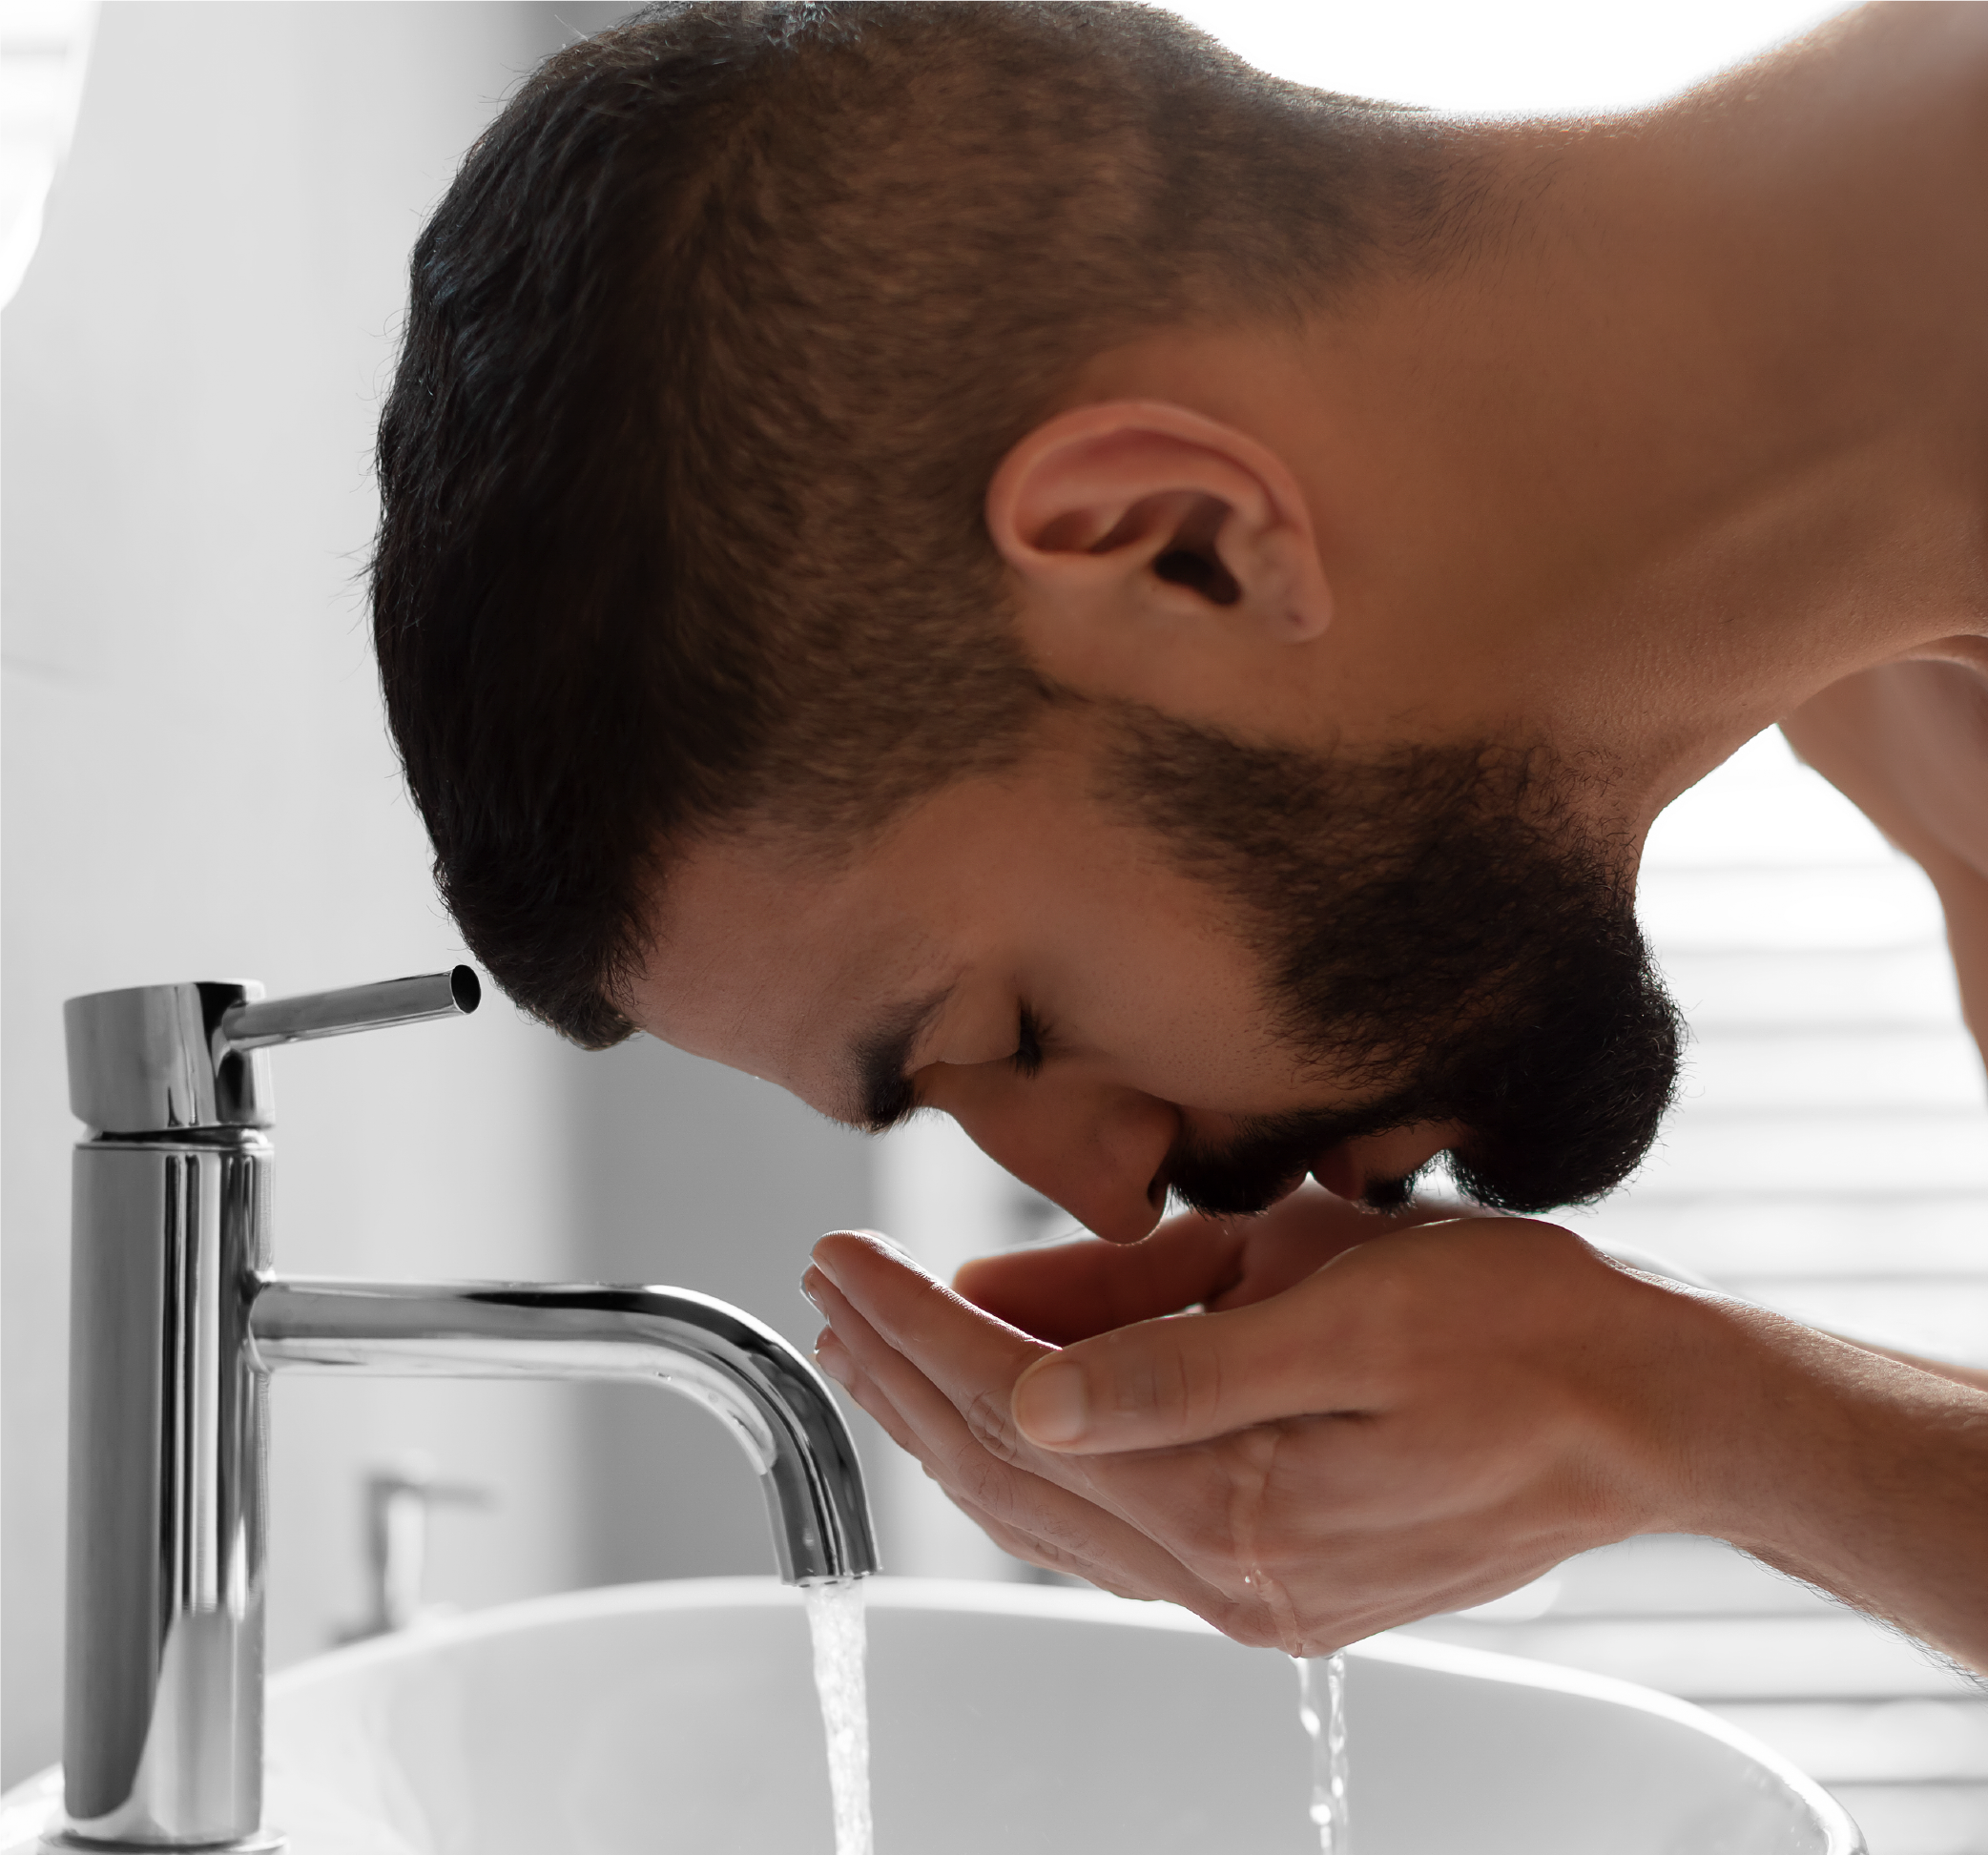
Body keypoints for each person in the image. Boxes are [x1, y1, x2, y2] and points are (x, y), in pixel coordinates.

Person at [369, 0, 1988, 1669]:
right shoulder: (1907, 711)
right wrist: (1642, 1395)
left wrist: (1694, 1423)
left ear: (1181, 550)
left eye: (1009, 1031)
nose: (1113, 1204)